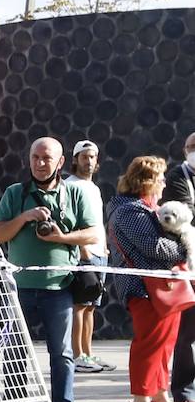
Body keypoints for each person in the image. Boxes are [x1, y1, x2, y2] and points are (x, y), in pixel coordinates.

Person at [0, 137, 100, 402]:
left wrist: (60, 238)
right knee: (15, 352)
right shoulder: (15, 193)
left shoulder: (75, 193)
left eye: (47, 158)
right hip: (20, 288)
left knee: (62, 353)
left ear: (61, 161)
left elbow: (92, 234)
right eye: (35, 157)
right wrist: (25, 217)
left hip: (60, 287)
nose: (40, 163)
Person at [109, 156, 192, 402]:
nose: (164, 182)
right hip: (143, 287)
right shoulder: (130, 211)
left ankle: (160, 395)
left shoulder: (148, 207)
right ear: (146, 181)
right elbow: (153, 248)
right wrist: (186, 251)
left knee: (165, 343)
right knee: (148, 344)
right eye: (160, 178)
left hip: (162, 287)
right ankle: (140, 401)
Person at [67, 140, 112, 373]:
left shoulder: (94, 188)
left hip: (99, 254)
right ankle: (77, 356)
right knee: (79, 306)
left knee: (91, 306)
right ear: (75, 159)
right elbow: (70, 220)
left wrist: (103, 248)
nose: (89, 161)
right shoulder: (70, 185)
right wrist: (82, 250)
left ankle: (88, 354)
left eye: (93, 156)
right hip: (83, 255)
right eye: (84, 156)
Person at [162, 131, 195, 402]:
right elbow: (187, 212)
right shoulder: (177, 177)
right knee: (189, 332)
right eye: (191, 147)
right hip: (190, 264)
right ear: (185, 150)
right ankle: (184, 391)